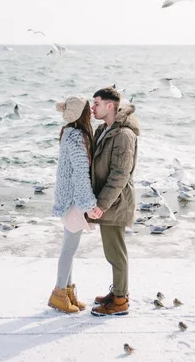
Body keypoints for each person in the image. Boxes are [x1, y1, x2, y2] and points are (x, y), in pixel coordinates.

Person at [48, 94, 103, 313]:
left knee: (69, 248)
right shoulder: (76, 138)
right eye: (88, 108)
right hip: (73, 201)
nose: (91, 111)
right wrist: (89, 204)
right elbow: (80, 174)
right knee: (69, 249)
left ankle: (67, 292)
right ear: (80, 113)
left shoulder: (70, 133)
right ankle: (59, 294)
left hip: (69, 198)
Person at [88, 86, 139, 317]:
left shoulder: (124, 135)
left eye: (96, 103)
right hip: (109, 201)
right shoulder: (104, 130)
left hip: (116, 202)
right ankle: (119, 292)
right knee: (113, 252)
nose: (93, 107)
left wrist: (101, 205)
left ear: (110, 105)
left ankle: (120, 301)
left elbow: (120, 174)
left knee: (116, 253)